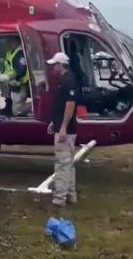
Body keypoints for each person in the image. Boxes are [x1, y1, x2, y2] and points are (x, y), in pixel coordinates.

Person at [46, 52, 78, 206]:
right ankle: (71, 195)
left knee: (62, 163)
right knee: (69, 164)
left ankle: (60, 198)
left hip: (65, 130)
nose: (52, 67)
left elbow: (70, 105)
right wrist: (55, 122)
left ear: (60, 65)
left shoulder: (68, 81)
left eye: (54, 65)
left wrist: (63, 127)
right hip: (62, 126)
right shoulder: (66, 80)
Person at [0, 36, 30, 117]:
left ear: (14, 41)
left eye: (8, 41)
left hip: (20, 84)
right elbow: (7, 67)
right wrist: (1, 76)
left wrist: (7, 77)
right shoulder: (10, 53)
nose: (6, 43)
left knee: (17, 111)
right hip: (12, 85)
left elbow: (21, 70)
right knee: (13, 105)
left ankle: (31, 106)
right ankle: (9, 108)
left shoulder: (19, 53)